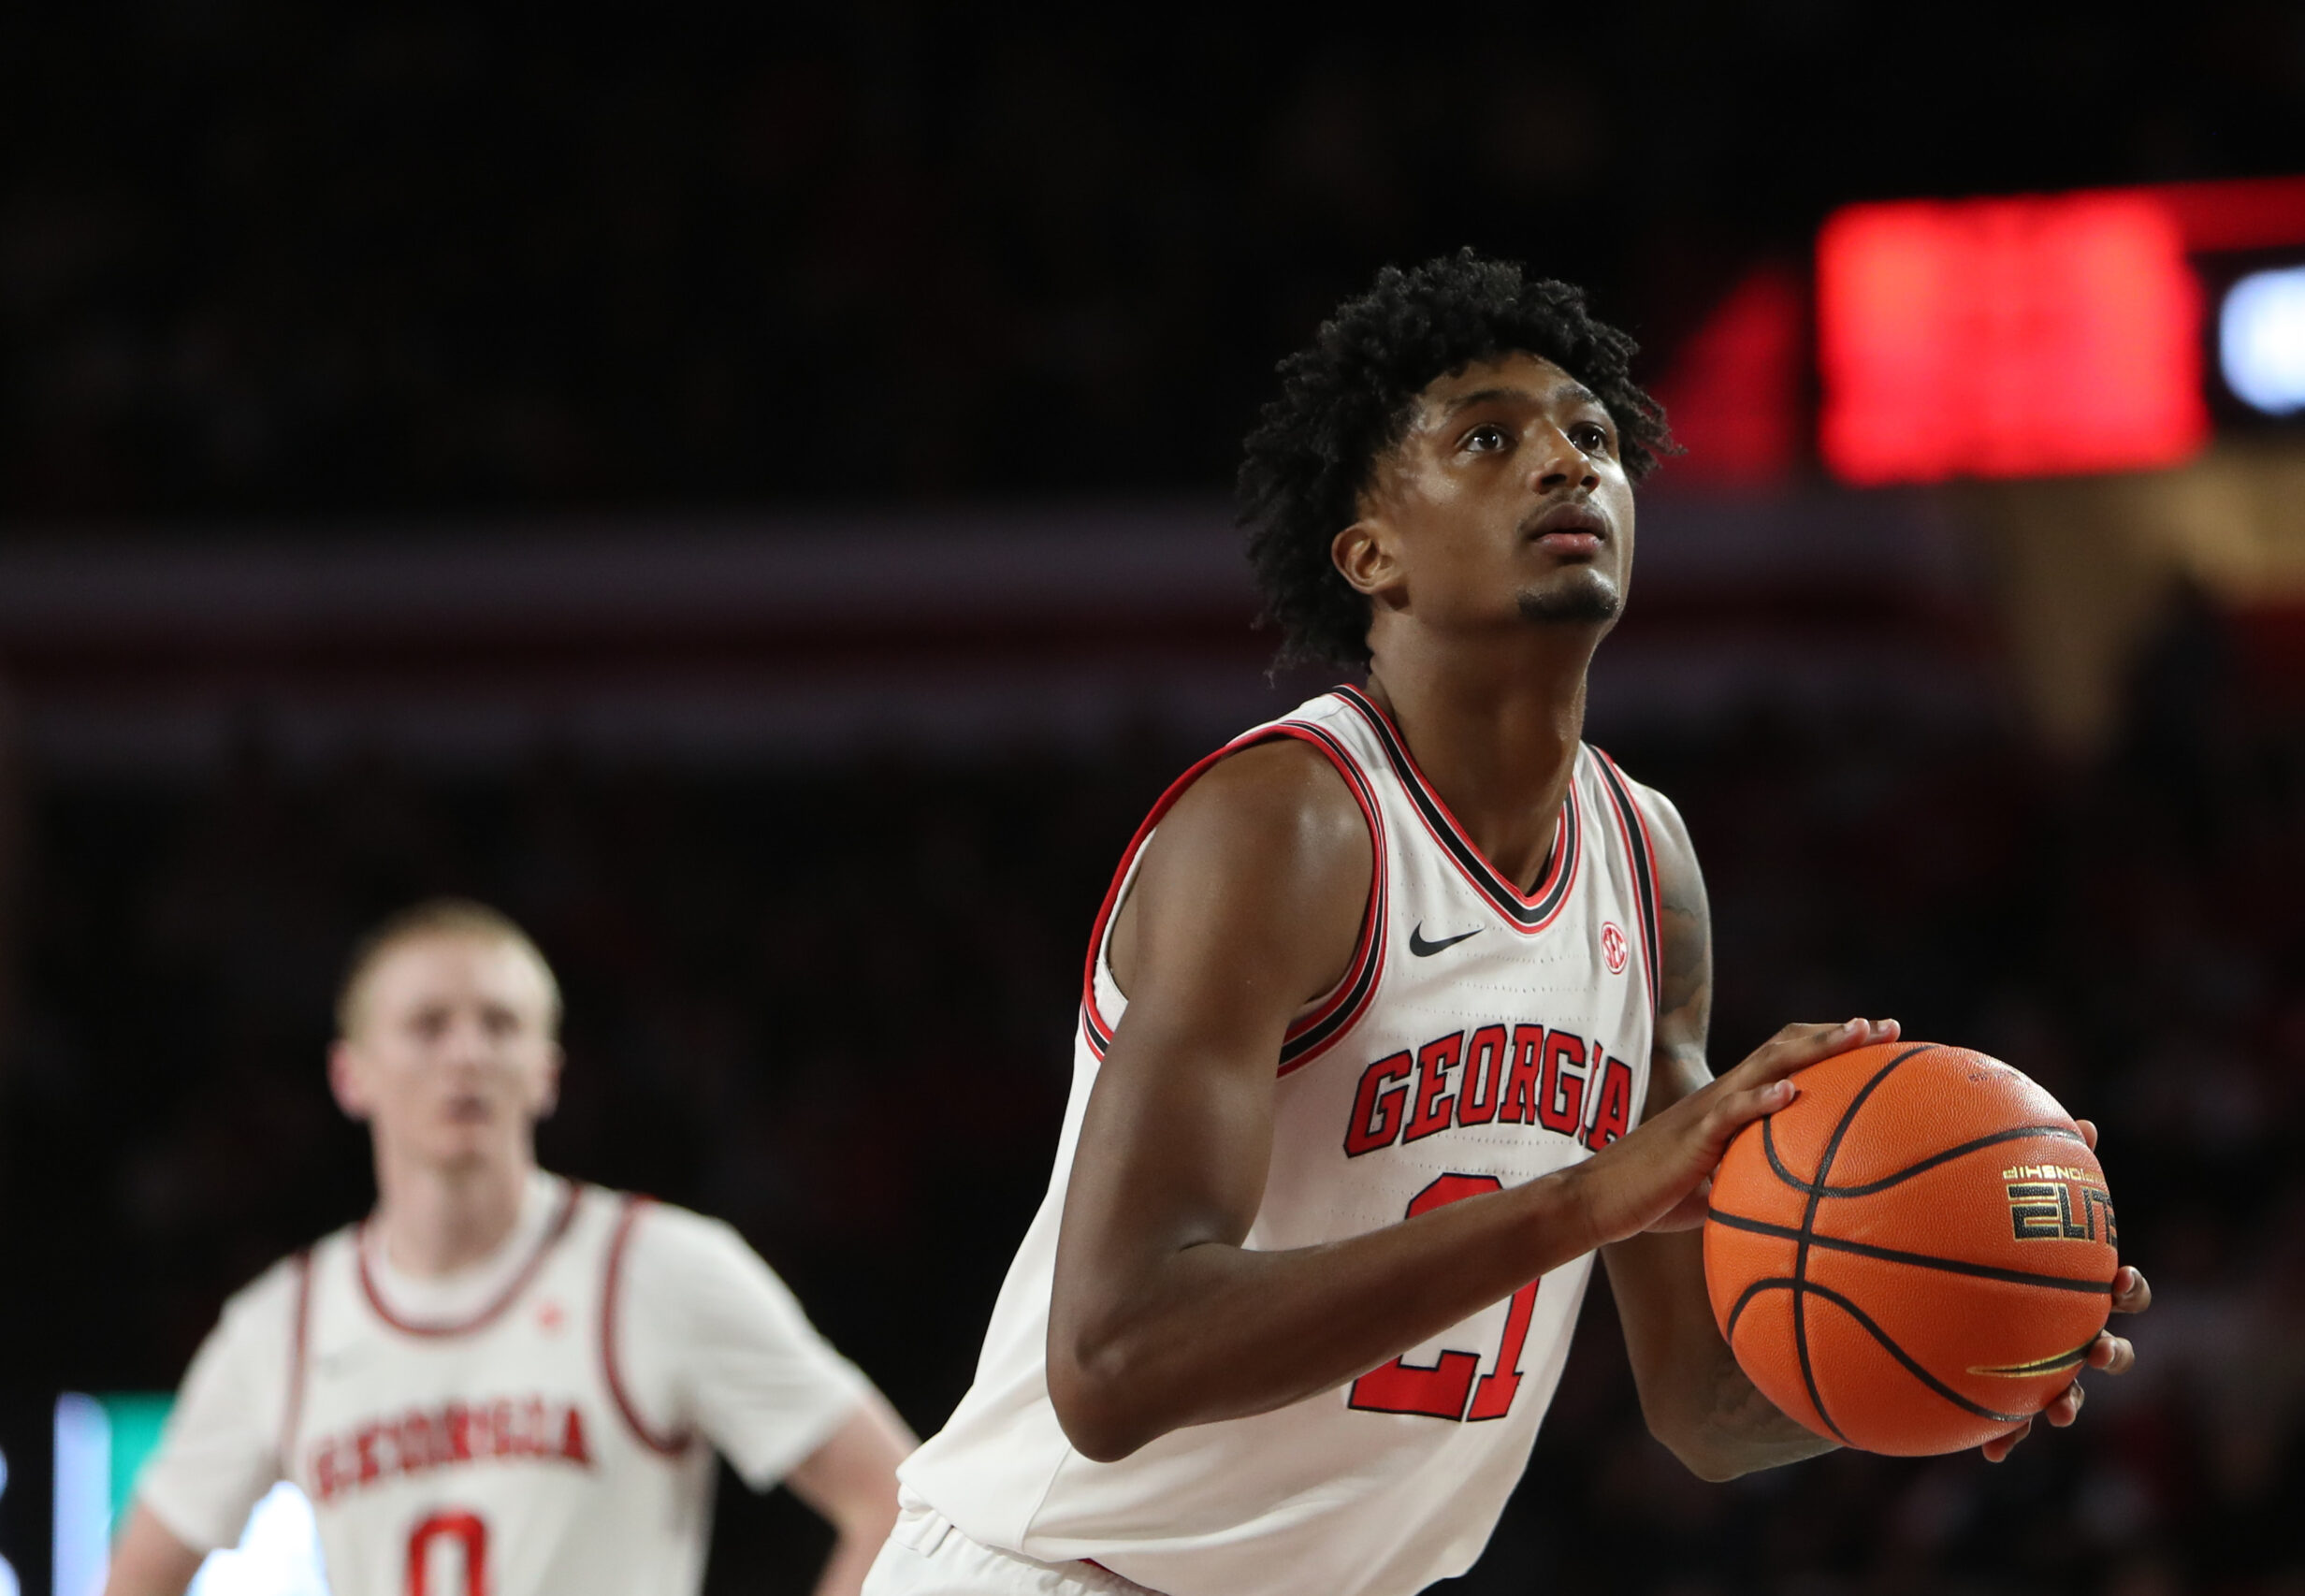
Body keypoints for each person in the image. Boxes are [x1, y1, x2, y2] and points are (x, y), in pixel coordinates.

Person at [870, 253, 2152, 1596]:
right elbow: (1114, 1360)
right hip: (1053, 1570)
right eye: (1489, 438)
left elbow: (1705, 1405)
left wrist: (1957, 1340)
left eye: (1593, 437)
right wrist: (1589, 1197)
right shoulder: (1288, 827)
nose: (1564, 463)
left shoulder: (1646, 862)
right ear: (1369, 553)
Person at [105, 898, 915, 1596]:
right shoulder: (281, 1324)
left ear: (547, 1072)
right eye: (428, 1025)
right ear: (350, 1074)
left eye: (500, 1025)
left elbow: (899, 1502)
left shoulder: (659, 1269)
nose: (467, 1053)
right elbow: (135, 1579)